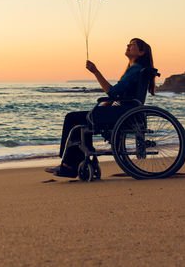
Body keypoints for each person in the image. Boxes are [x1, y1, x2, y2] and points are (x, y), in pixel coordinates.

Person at [45, 38, 158, 178]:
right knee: (82, 119)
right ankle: (74, 160)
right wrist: (106, 104)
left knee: (72, 118)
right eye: (128, 44)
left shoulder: (135, 69)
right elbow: (121, 95)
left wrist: (95, 72)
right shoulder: (138, 69)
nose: (128, 46)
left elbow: (113, 92)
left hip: (122, 114)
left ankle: (69, 164)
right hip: (127, 112)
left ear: (141, 52)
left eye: (132, 45)